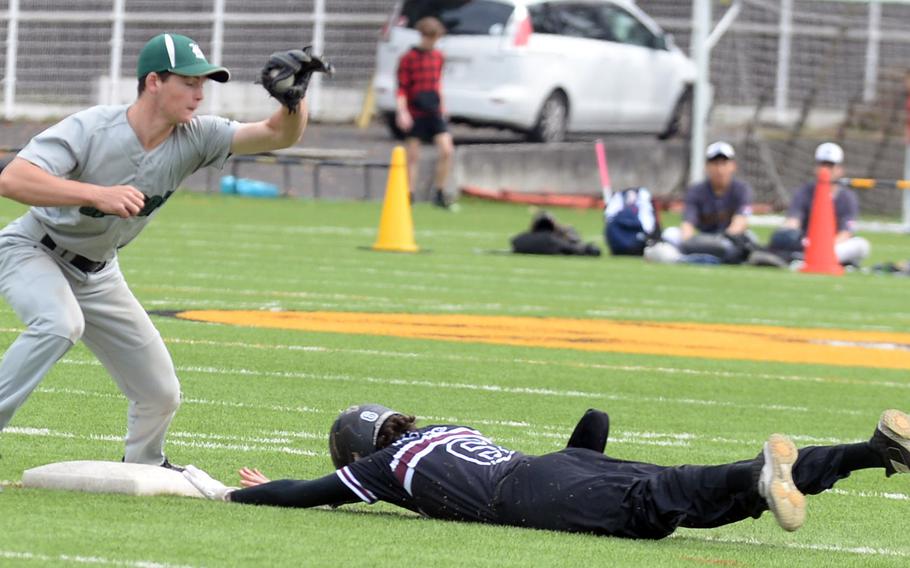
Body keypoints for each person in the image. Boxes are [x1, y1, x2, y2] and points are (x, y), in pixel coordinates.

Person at [0, 33, 331, 468]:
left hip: (98, 272)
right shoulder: (92, 126)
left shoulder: (198, 135)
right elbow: (13, 180)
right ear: (153, 81)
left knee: (161, 393)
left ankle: (144, 462)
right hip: (33, 249)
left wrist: (293, 101)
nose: (199, 93)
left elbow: (276, 135)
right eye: (189, 82)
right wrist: (97, 194)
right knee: (60, 324)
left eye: (203, 84)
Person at [183, 404, 910, 540]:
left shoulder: (380, 466)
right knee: (700, 498)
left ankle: (767, 475)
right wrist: (586, 447)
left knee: (668, 502)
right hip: (556, 465)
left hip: (533, 493)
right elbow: (591, 421)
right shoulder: (446, 429)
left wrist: (239, 493)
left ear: (354, 448)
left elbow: (306, 495)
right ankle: (868, 453)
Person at [769, 142, 870, 267]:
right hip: (807, 242)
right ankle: (808, 258)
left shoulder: (847, 198)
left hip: (834, 245)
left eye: (830, 166)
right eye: (823, 165)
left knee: (861, 246)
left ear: (839, 170)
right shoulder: (804, 192)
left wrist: (824, 247)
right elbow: (793, 221)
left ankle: (807, 259)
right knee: (783, 237)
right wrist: (789, 234)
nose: (826, 170)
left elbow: (846, 233)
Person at [661, 141, 756, 264]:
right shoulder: (696, 191)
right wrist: (690, 242)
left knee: (749, 239)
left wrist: (720, 241)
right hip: (702, 239)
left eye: (724, 163)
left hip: (729, 240)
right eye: (715, 164)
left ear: (733, 166)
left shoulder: (742, 190)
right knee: (670, 234)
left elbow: (739, 223)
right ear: (707, 166)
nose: (719, 169)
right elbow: (687, 226)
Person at [395, 16, 455, 210]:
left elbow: (438, 83)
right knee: (413, 156)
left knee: (447, 150)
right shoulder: (408, 58)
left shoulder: (438, 56)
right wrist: (402, 111)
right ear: (422, 35)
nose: (432, 41)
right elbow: (402, 87)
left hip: (434, 110)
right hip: (415, 111)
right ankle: (408, 194)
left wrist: (443, 107)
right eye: (429, 37)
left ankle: (439, 193)